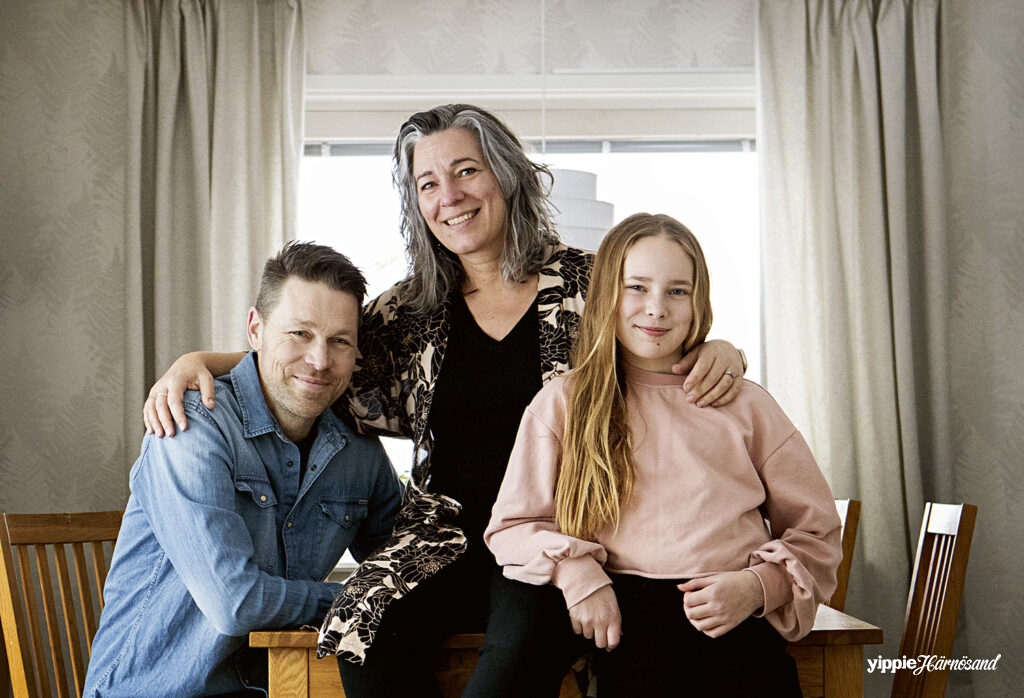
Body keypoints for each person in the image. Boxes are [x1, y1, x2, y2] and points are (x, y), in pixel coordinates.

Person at [141, 105, 749, 697]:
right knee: (362, 629)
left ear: (506, 175)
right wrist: (201, 362)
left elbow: (660, 335)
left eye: (466, 171)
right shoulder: (409, 311)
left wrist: (721, 347)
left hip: (558, 535)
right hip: (441, 536)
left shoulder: (591, 286)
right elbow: (315, 356)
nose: (449, 195)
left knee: (517, 655)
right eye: (428, 183)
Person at [484, 213, 843, 697]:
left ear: (699, 302)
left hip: (737, 624)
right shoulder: (563, 404)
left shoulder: (746, 404)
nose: (656, 309)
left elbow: (818, 533)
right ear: (606, 294)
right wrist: (575, 569)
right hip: (629, 632)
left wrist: (759, 586)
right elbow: (511, 528)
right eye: (636, 287)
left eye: (677, 291)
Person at [84, 242, 403, 697]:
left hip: (277, 685)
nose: (319, 360)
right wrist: (355, 599)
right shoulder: (191, 425)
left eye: (339, 341)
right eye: (299, 333)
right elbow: (235, 603)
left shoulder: (357, 448)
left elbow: (406, 565)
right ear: (256, 329)